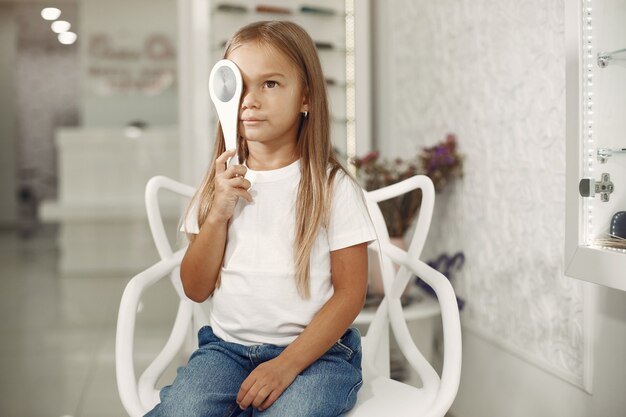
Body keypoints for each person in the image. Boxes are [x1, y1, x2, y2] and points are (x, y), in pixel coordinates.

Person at [145, 20, 376, 417]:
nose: (249, 100)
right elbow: (195, 288)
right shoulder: (215, 188)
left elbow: (350, 294)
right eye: (238, 86)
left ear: (306, 97)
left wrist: (286, 365)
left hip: (317, 357)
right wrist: (217, 214)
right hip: (225, 351)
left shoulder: (332, 188)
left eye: (270, 84)